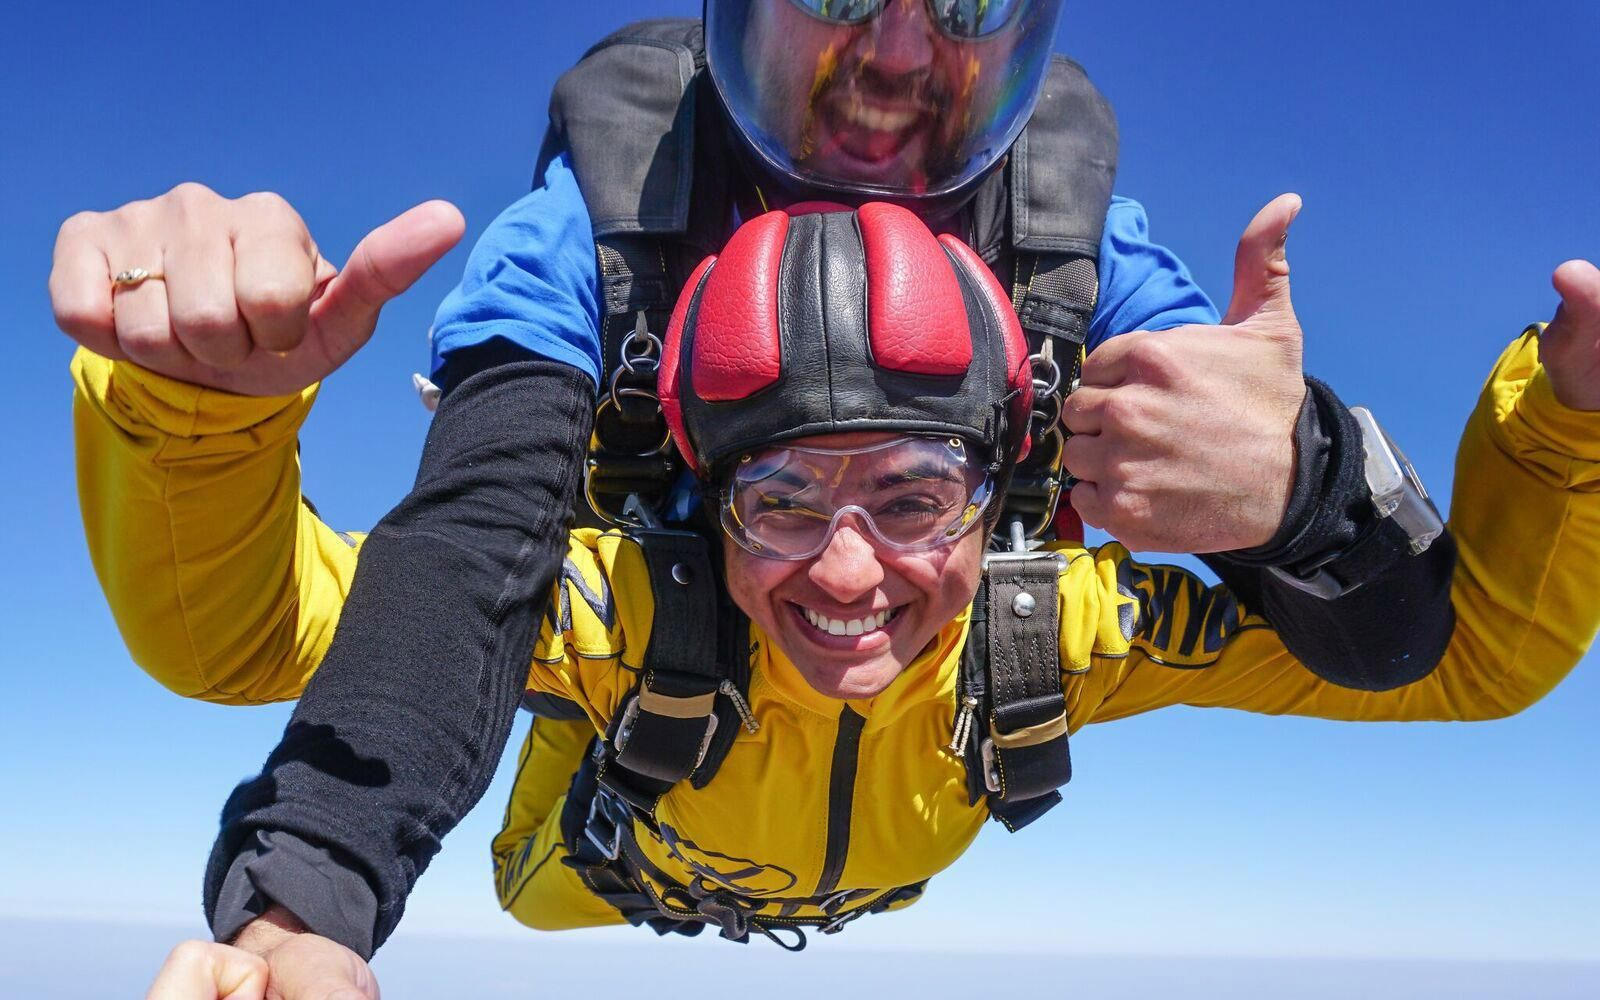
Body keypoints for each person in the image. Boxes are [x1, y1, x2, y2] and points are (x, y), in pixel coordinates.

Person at [135, 203, 1599, 996]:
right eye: (778, 501)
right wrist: (201, 424)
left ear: (996, 492)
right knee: (552, 752)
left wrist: (1569, 433)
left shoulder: (1060, 625)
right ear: (709, 504)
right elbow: (261, 637)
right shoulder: (631, 607)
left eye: (912, 497)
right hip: (574, 882)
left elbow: (1453, 666)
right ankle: (577, 750)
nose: (849, 572)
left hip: (817, 861)